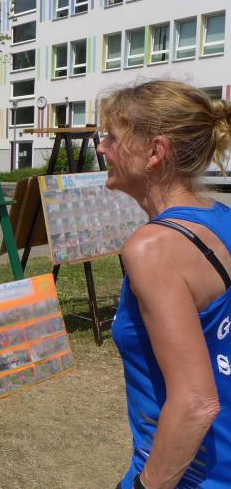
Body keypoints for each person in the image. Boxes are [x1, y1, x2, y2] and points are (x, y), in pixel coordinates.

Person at [99, 80, 231, 488]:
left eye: (112, 137)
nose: (102, 148)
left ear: (155, 152)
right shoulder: (223, 219)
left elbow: (196, 403)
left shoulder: (153, 248)